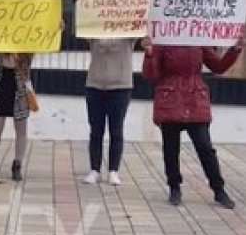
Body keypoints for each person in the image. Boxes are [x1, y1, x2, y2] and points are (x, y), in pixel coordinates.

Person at [141, 35, 243, 208]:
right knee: (171, 148)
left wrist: (235, 49)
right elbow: (151, 75)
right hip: (170, 99)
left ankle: (219, 190)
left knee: (205, 148)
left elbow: (218, 67)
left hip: (195, 100)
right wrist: (150, 53)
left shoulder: (197, 38)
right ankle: (174, 188)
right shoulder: (163, 40)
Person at [83, 39, 136, 186]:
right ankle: (95, 169)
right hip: (95, 85)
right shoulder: (95, 28)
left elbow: (140, 28)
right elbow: (83, 30)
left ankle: (113, 170)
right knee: (96, 130)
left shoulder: (128, 29)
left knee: (116, 130)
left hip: (121, 86)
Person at [0, 53, 33, 181]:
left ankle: (17, 164)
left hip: (20, 90)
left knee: (21, 129)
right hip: (1, 87)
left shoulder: (26, 50)